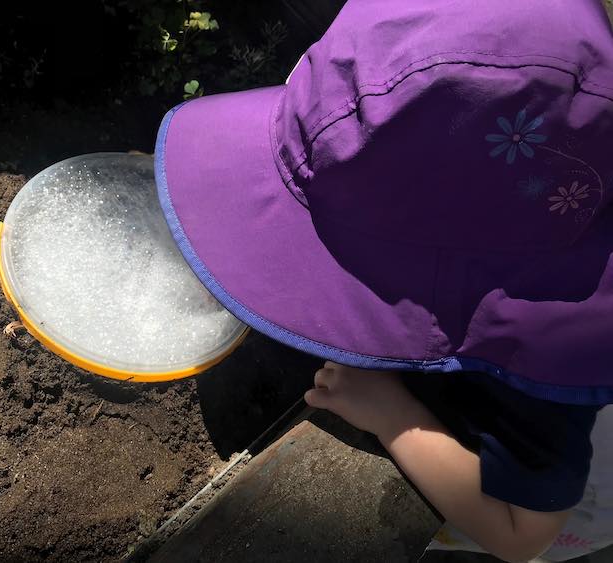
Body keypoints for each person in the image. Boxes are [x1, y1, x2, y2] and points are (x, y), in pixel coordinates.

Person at [152, 0, 613, 561]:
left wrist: (393, 416)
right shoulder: (558, 161)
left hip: (505, 502)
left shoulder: (547, 364)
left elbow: (522, 535)